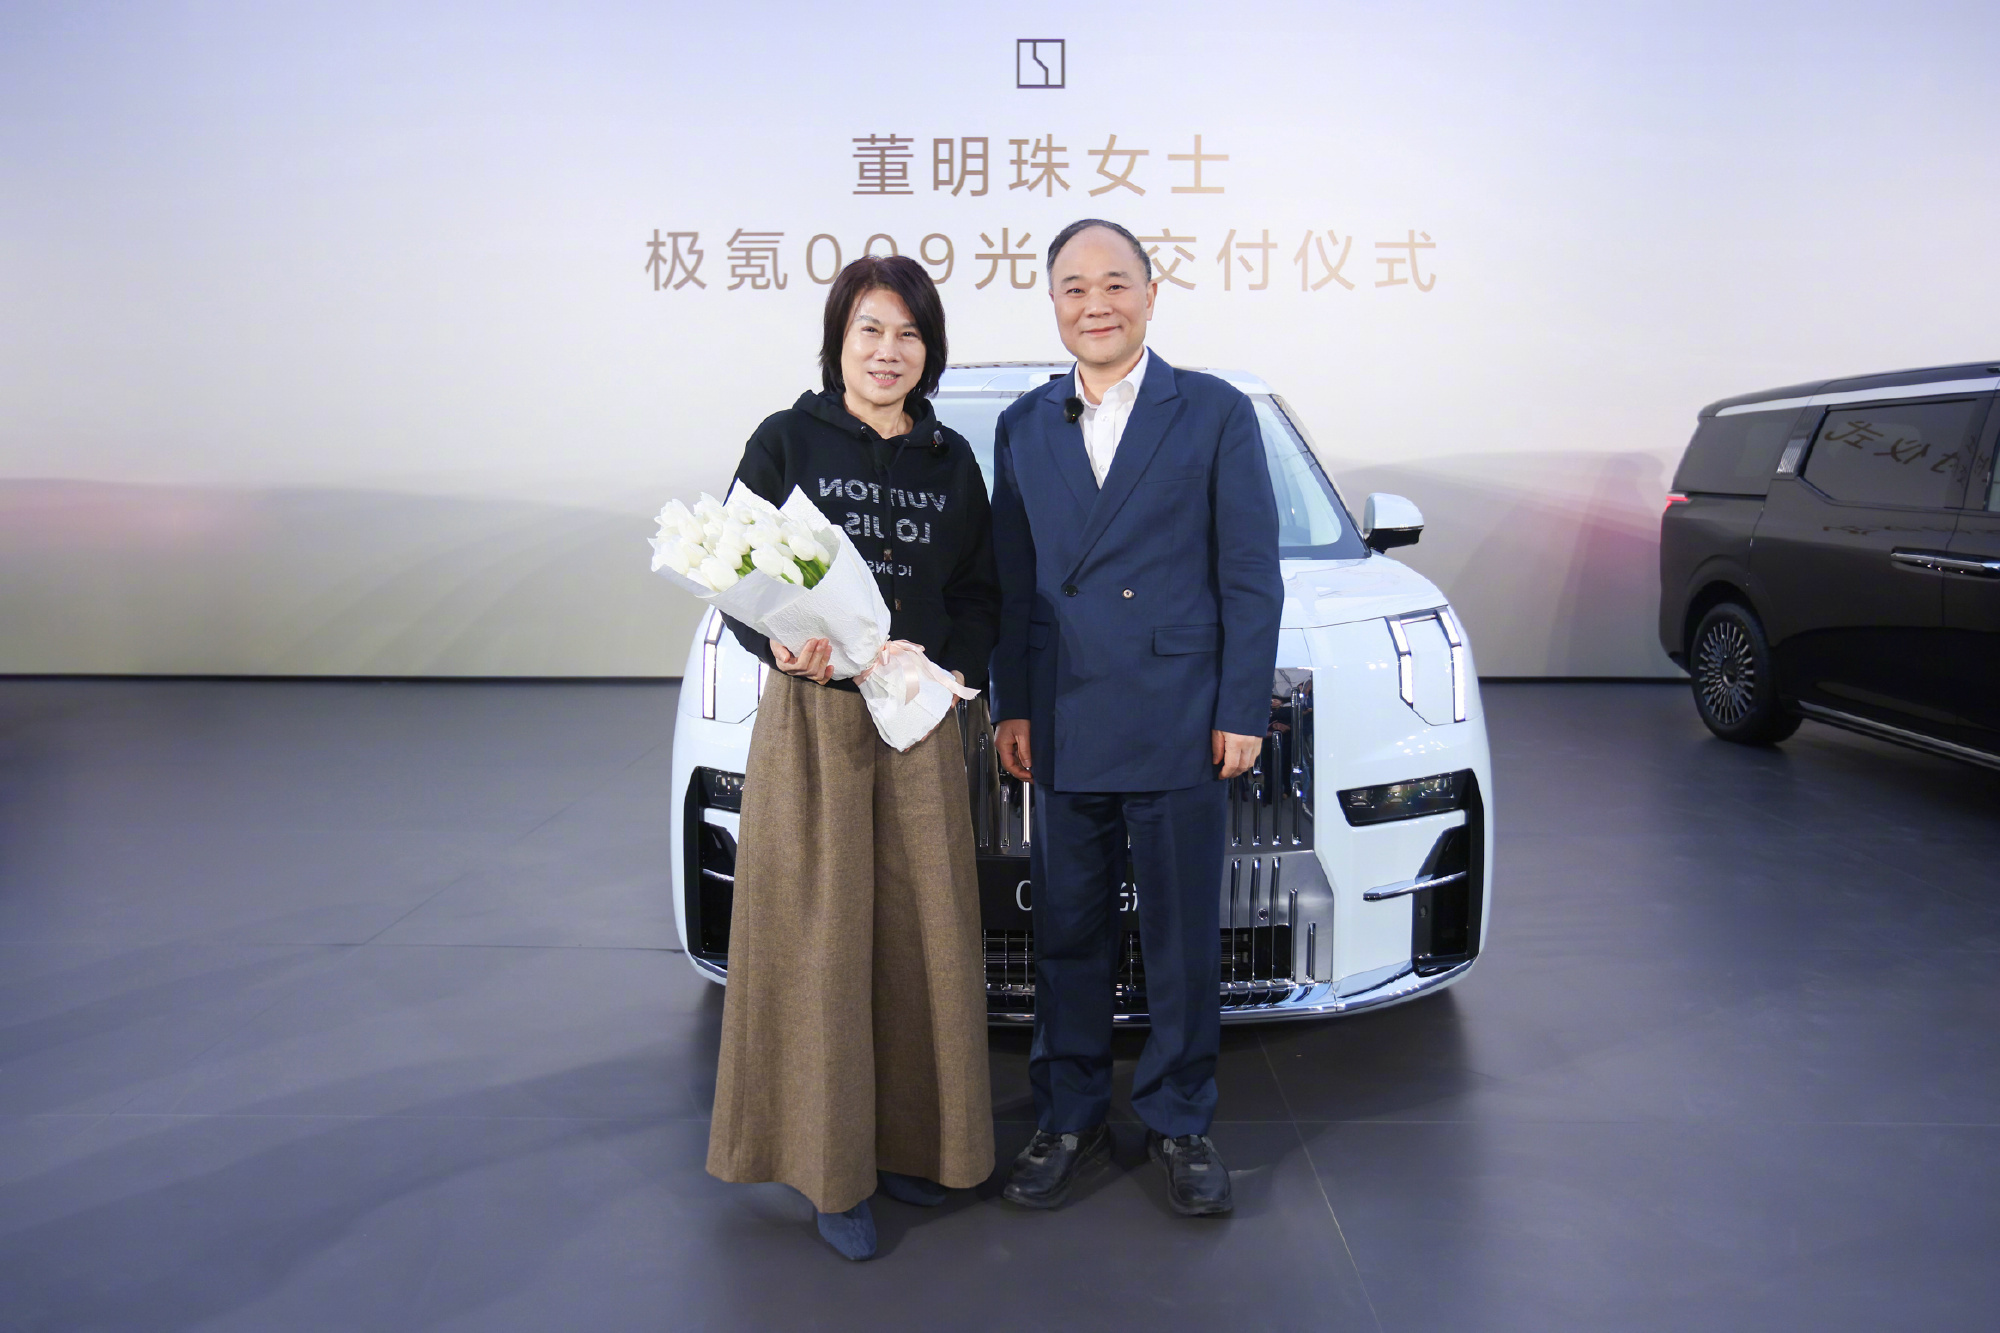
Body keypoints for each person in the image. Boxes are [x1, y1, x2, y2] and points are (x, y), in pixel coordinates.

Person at [705, 254, 999, 1261]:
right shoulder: (785, 440)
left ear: (929, 352)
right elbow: (734, 575)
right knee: (820, 943)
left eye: (908, 334)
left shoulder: (952, 462)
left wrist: (949, 664)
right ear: (838, 340)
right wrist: (781, 642)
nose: (887, 351)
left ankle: (916, 1144)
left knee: (923, 938)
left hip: (914, 719)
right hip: (816, 721)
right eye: (869, 329)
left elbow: (980, 593)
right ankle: (831, 1171)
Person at [987, 219, 1282, 1217]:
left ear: (1151, 295)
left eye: (1114, 283)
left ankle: (1179, 1118)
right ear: (1053, 304)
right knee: (1066, 932)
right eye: (1073, 288)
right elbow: (1016, 582)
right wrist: (1012, 704)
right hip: (1064, 714)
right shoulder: (1024, 423)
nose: (1095, 304)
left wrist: (1240, 704)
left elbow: (1248, 572)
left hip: (1177, 712)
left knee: (1179, 936)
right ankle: (1066, 1116)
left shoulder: (1213, 410)